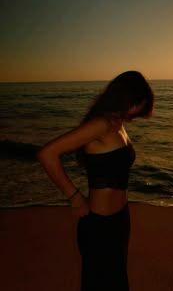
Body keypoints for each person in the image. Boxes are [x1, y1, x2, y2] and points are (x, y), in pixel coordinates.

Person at [37, 70, 154, 291]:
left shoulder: (118, 123)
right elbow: (47, 154)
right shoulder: (100, 124)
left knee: (117, 280)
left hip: (120, 219)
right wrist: (75, 197)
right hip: (99, 224)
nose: (138, 111)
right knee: (100, 283)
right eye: (138, 104)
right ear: (127, 98)